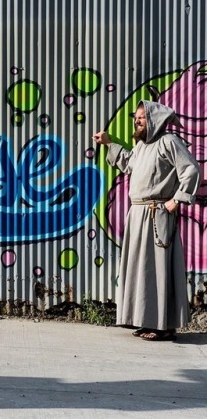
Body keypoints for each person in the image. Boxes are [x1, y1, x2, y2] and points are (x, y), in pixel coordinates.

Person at [93, 100, 201, 341]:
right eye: (136, 117)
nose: (137, 120)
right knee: (142, 269)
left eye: (142, 117)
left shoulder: (169, 142)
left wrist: (178, 200)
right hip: (138, 214)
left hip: (157, 214)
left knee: (159, 270)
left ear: (155, 119)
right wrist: (109, 143)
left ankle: (163, 326)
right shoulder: (142, 147)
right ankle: (146, 320)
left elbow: (191, 169)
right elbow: (128, 163)